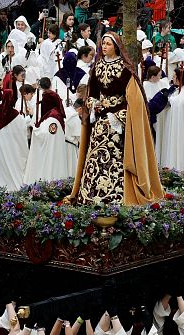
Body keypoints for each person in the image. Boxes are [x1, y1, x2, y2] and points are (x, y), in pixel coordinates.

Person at [67, 32, 164, 206]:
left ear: (116, 47)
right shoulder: (96, 67)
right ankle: (91, 195)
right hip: (99, 121)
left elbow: (134, 101)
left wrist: (117, 116)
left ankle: (118, 195)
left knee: (116, 155)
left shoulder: (125, 70)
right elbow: (91, 94)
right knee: (94, 155)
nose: (104, 47)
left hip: (117, 122)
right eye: (103, 43)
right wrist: (93, 104)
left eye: (108, 44)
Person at [0, 87, 30, 191]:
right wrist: (28, 117)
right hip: (12, 149)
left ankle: (1, 187)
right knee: (14, 166)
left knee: (1, 167)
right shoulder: (16, 116)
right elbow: (22, 131)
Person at [24, 87, 69, 183]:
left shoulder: (53, 119)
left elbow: (45, 135)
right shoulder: (53, 116)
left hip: (52, 155)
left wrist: (35, 129)